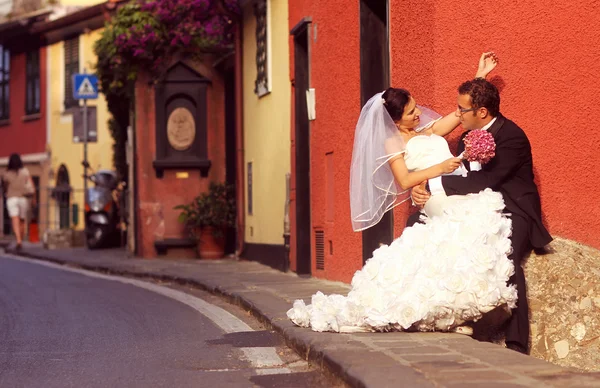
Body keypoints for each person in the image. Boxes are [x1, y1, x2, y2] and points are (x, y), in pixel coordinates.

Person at [287, 53, 520, 334]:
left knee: (470, 237)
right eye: (411, 112)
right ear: (395, 120)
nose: (419, 114)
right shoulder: (392, 142)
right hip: (438, 193)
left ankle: (456, 313)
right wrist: (439, 168)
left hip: (458, 184)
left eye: (416, 108)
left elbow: (462, 113)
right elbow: (406, 179)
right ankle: (457, 313)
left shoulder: (426, 130)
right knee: (465, 236)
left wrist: (480, 77)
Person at [408, 78, 552, 354]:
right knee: (420, 224)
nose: (457, 114)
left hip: (513, 208)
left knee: (506, 254)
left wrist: (432, 184)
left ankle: (517, 343)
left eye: (462, 110)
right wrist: (422, 192)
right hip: (478, 205)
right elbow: (465, 177)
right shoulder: (467, 136)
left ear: (481, 112)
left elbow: (486, 180)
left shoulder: (512, 137)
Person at [1, 153, 36, 250]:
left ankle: (18, 240)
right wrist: (34, 197)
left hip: (11, 198)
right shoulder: (25, 171)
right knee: (22, 219)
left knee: (14, 219)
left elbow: (4, 187)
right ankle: (21, 237)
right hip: (23, 198)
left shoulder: (6, 174)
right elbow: (31, 184)